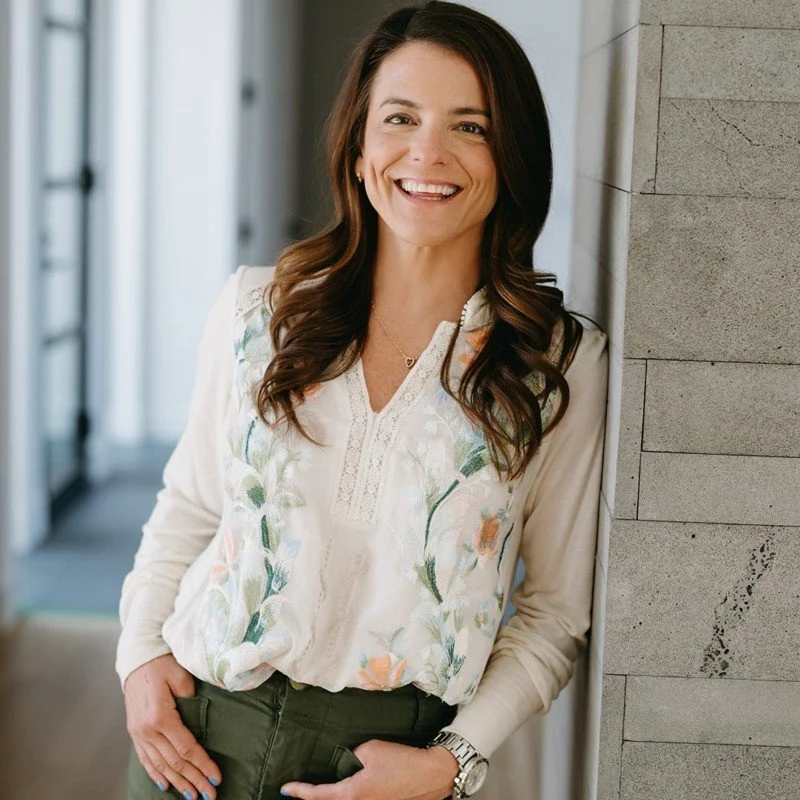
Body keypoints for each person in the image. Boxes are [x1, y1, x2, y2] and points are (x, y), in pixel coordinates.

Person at [117, 2, 609, 799]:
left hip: (389, 767)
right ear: (357, 147)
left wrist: (450, 765)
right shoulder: (258, 309)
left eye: (471, 127)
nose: (428, 152)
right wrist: (139, 658)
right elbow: (192, 505)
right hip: (197, 740)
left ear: (512, 156)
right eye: (400, 118)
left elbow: (553, 614)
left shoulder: (557, 364)